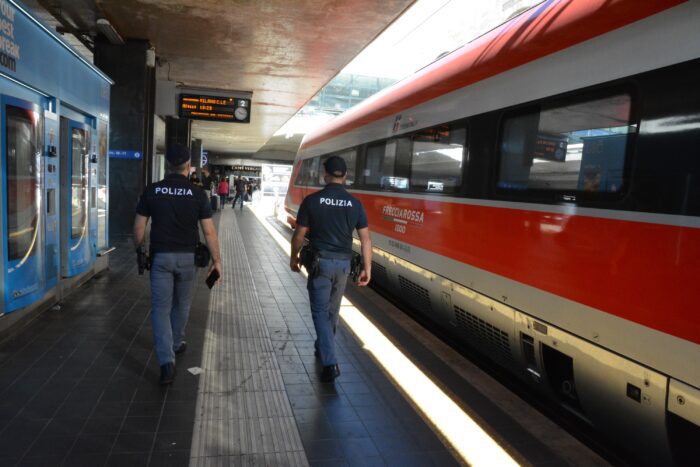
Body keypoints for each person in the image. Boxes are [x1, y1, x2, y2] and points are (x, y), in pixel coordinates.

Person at [133, 144, 223, 385]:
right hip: (187, 259)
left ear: (168, 165)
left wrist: (139, 249)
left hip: (160, 257)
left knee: (160, 308)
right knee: (182, 304)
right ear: (188, 167)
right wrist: (217, 261)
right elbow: (209, 232)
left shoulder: (153, 190)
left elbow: (139, 227)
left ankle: (166, 362)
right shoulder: (197, 194)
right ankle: (175, 342)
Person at [289, 156, 372, 382]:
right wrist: (367, 268)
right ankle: (323, 346)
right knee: (332, 311)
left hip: (320, 264)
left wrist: (294, 257)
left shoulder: (312, 201)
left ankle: (330, 362)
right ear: (345, 176)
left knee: (319, 311)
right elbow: (365, 239)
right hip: (343, 265)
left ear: (325, 174)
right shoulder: (355, 204)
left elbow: (299, 235)